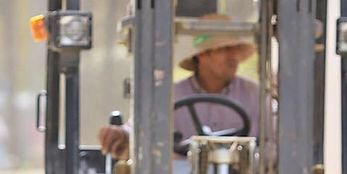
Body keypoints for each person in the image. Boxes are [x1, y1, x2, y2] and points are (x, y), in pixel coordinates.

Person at [98, 16, 263, 159]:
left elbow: (279, 142)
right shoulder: (169, 95)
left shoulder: (257, 96)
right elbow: (139, 129)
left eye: (235, 49)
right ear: (202, 54)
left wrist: (244, 160)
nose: (233, 56)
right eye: (225, 49)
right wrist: (122, 136)